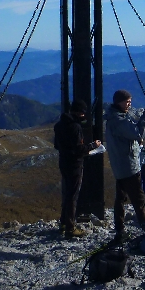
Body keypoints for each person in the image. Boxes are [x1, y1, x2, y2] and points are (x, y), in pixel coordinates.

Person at [103, 89, 145, 243]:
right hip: (129, 165)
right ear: (118, 102)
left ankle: (120, 229)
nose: (129, 104)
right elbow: (137, 133)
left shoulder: (115, 117)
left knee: (121, 198)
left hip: (120, 165)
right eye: (127, 102)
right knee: (138, 197)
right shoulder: (118, 120)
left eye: (130, 101)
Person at [52, 100, 101, 238]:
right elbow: (79, 149)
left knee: (68, 192)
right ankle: (70, 227)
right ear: (80, 113)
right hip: (75, 164)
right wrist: (93, 145)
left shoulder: (59, 125)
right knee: (73, 195)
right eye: (83, 113)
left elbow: (56, 145)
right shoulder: (75, 127)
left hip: (63, 162)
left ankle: (63, 222)